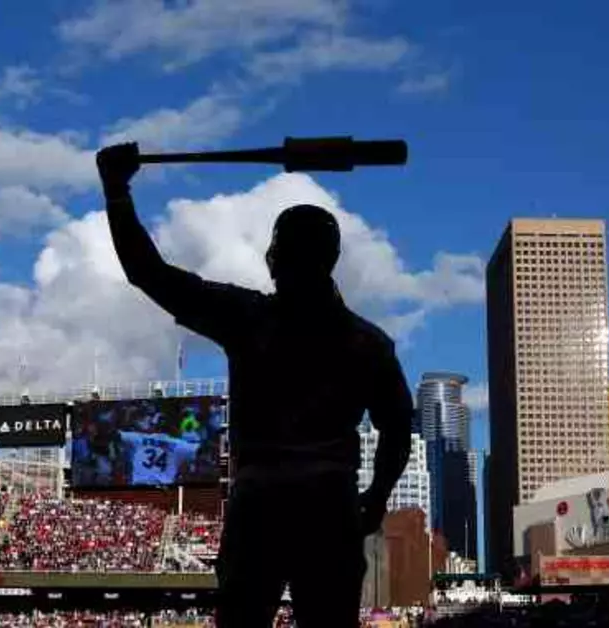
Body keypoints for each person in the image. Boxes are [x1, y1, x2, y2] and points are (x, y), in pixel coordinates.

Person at [97, 143, 414, 627]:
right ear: (331, 260)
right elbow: (396, 429)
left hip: (261, 504)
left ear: (274, 258)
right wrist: (376, 496)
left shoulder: (247, 318)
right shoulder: (369, 342)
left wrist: (117, 191)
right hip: (330, 507)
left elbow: (148, 273)